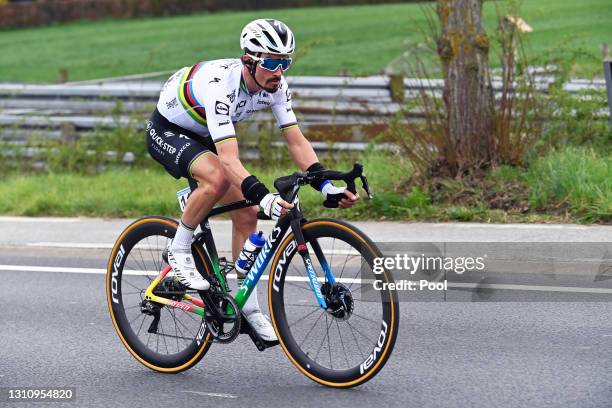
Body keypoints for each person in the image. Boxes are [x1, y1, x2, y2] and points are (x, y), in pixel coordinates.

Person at [145, 18, 359, 341]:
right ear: (250, 59)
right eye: (273, 62)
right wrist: (265, 197)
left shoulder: (276, 87)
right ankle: (179, 249)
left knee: (246, 214)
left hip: (205, 133)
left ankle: (249, 308)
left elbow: (296, 141)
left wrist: (325, 185)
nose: (279, 72)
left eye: (285, 62)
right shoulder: (222, 85)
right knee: (217, 178)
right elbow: (229, 160)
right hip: (169, 130)